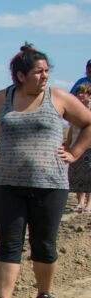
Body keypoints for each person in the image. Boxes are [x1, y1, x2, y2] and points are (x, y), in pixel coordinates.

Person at [0, 44, 91, 298]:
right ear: (21, 75)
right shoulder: (3, 99)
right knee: (8, 245)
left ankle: (44, 296)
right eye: (39, 72)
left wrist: (74, 153)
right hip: (8, 185)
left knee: (44, 244)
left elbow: (87, 123)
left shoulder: (58, 98)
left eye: (47, 71)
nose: (45, 76)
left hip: (50, 185)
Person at [67, 82, 91, 212]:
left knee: (89, 175)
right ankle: (80, 202)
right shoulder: (74, 110)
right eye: (79, 93)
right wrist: (67, 144)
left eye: (85, 93)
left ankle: (89, 204)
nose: (82, 96)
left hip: (89, 146)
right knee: (77, 174)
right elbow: (71, 129)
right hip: (75, 145)